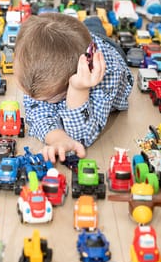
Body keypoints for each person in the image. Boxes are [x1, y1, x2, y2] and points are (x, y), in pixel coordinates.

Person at [14, 12, 134, 163]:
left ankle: (94, 21)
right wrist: (58, 138)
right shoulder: (33, 66)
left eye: (49, 98)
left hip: (111, 51)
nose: (33, 100)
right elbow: (38, 112)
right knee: (82, 34)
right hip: (83, 46)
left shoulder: (109, 76)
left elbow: (82, 136)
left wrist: (79, 90)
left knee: (96, 31)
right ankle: (91, 23)